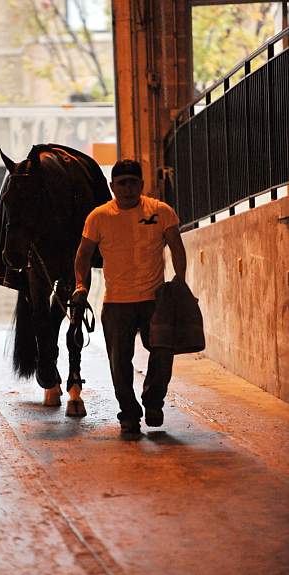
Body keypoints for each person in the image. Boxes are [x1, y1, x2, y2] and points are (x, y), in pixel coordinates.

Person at [72, 159, 187, 436]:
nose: (127, 188)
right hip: (116, 303)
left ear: (142, 185)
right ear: (112, 186)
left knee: (162, 353)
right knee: (119, 362)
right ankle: (129, 414)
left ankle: (153, 402)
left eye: (133, 183)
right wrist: (80, 285)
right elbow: (83, 255)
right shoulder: (99, 217)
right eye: (121, 183)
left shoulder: (160, 211)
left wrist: (180, 282)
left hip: (154, 300)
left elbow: (176, 247)